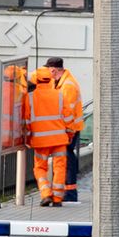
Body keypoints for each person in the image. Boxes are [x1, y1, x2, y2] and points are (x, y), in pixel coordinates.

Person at [24, 65, 70, 206]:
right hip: (59, 139)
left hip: (40, 140)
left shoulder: (30, 97)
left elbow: (26, 120)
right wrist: (69, 132)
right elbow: (68, 117)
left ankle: (46, 194)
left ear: (36, 80)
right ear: (50, 79)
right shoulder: (59, 95)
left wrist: (27, 136)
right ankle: (57, 199)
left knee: (40, 168)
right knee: (60, 168)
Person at [47, 58, 84, 205]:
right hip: (66, 128)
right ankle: (65, 191)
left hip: (69, 129)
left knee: (67, 158)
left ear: (53, 70)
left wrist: (65, 130)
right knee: (65, 158)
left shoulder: (67, 86)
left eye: (49, 70)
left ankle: (70, 192)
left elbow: (66, 111)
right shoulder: (61, 82)